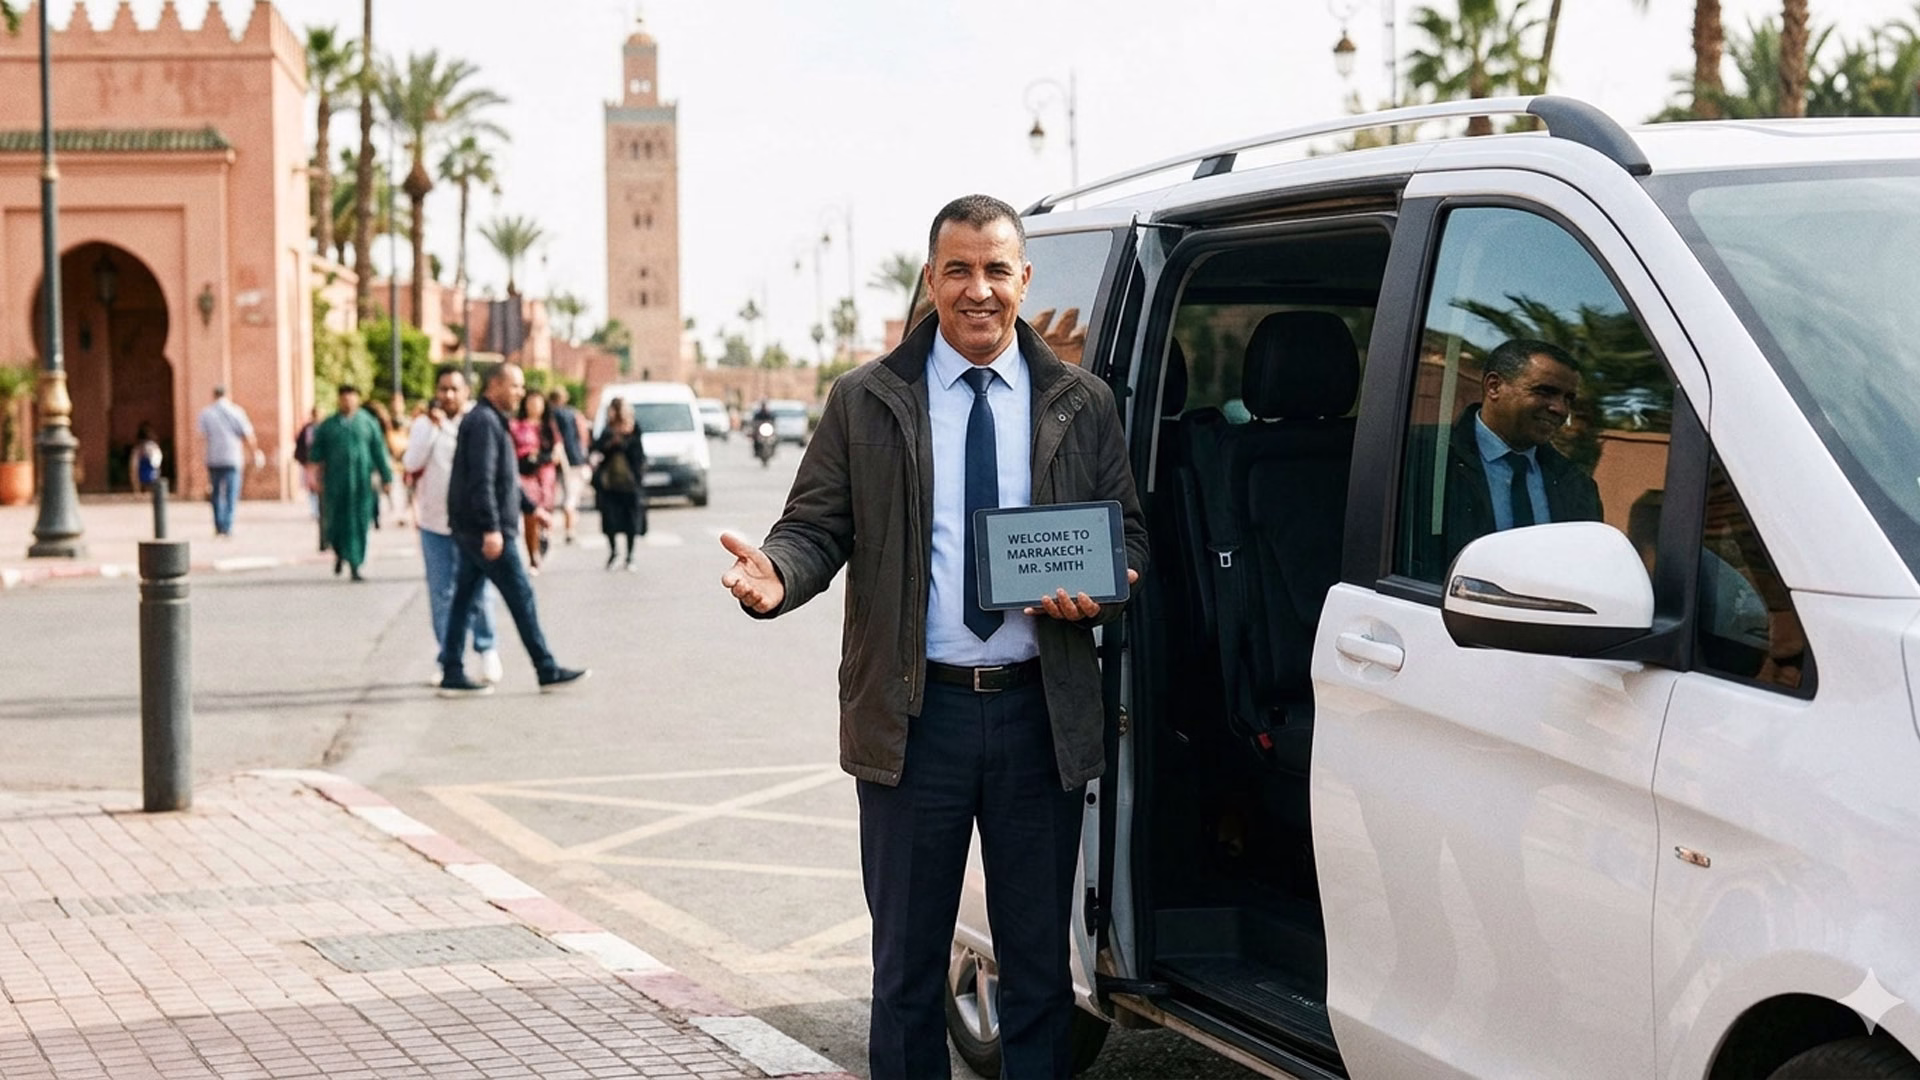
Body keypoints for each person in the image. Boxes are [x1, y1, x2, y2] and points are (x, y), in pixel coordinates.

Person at [718, 195, 1149, 1080]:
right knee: (907, 976)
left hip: (1039, 717)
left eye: (996, 270)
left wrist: (1105, 592)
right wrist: (776, 576)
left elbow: (1126, 538)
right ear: (931, 281)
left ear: (1024, 281)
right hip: (917, 722)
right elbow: (813, 529)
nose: (978, 290)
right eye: (958, 270)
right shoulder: (867, 400)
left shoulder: (1081, 401)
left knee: (1039, 975)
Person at [439, 362, 589, 696]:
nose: (521, 393)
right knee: (521, 597)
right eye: (515, 386)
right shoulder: (483, 422)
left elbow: (504, 478)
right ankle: (545, 667)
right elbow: (482, 481)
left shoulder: (491, 420)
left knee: (464, 599)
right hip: (485, 532)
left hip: (476, 529)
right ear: (494, 385)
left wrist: (532, 508)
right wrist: (492, 529)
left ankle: (451, 667)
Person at [1437, 337, 1603, 566]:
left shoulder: (1576, 486)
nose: (1560, 409)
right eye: (1545, 391)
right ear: (1494, 386)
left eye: (1568, 398)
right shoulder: (1424, 458)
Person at [403, 365, 504, 684]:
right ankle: (449, 657)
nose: (448, 395)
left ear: (466, 392)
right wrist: (430, 430)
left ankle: (487, 650)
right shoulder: (425, 425)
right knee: (441, 593)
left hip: (471, 525)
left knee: (480, 592)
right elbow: (411, 463)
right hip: (435, 525)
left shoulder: (477, 422)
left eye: (454, 389)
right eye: (442, 389)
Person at [310, 384, 392, 582]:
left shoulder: (367, 423)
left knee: (360, 522)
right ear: (339, 400)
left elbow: (378, 451)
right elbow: (315, 455)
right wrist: (315, 478)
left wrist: (386, 477)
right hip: (336, 483)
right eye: (344, 398)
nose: (347, 401)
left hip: (361, 483)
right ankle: (339, 553)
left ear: (357, 399)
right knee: (336, 521)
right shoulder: (328, 425)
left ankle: (356, 564)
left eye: (351, 397)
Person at [590, 397, 647, 570]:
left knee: (631, 519)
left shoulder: (634, 429)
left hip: (630, 482)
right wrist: (611, 443)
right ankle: (614, 552)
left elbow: (639, 454)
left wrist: (625, 440)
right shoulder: (608, 429)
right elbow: (596, 448)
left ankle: (630, 556)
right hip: (610, 482)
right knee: (610, 520)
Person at [195, 385, 260, 538]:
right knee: (231, 493)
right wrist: (254, 452)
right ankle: (228, 526)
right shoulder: (236, 412)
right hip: (232, 458)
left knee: (216, 493)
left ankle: (219, 525)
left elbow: (201, 437)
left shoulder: (206, 413)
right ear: (227, 395)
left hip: (213, 458)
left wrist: (199, 459)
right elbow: (248, 435)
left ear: (213, 395)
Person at [511, 389, 562, 573]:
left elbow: (557, 451)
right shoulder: (517, 426)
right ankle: (533, 556)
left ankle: (543, 537)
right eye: (531, 403)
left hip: (545, 475)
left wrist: (544, 457)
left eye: (538, 403)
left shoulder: (548, 427)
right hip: (526, 475)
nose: (535, 407)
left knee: (545, 510)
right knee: (530, 514)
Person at [548, 384, 589, 545]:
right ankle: (569, 530)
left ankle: (549, 530)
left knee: (550, 495)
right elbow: (582, 436)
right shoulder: (572, 414)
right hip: (572, 459)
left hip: (552, 460)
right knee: (570, 497)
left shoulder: (549, 416)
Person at [129, 422, 162, 493]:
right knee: (136, 473)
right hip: (143, 459)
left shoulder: (152, 444)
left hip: (148, 460)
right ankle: (138, 491)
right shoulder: (146, 444)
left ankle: (139, 491)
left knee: (148, 477)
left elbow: (156, 459)